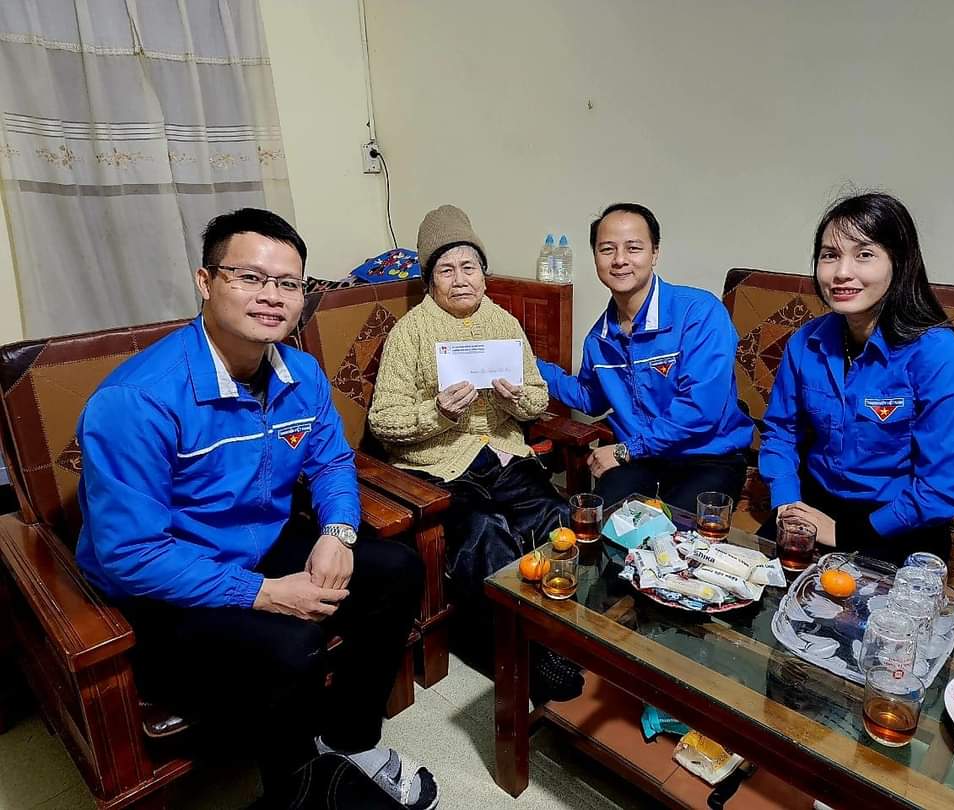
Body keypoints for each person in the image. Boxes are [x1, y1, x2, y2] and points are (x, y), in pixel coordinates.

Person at [74, 208, 438, 810]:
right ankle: (297, 792)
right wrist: (263, 594)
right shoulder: (136, 401)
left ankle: (348, 741)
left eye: (289, 283)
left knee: (396, 569)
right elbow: (130, 555)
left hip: (259, 545)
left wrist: (338, 532)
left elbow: (331, 462)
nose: (272, 296)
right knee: (292, 647)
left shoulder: (302, 373)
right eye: (249, 277)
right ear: (205, 281)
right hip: (166, 588)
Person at [368, 204, 580, 701]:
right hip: (439, 466)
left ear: (484, 274)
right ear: (430, 281)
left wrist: (516, 401)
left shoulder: (504, 322)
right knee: (487, 532)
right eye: (446, 270)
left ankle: (567, 633)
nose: (460, 279)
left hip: (503, 455)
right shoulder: (409, 333)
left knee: (557, 517)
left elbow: (537, 397)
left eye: (469, 267)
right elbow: (383, 421)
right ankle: (524, 655)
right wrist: (436, 412)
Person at [758, 192, 954, 566]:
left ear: (900, 263)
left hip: (899, 517)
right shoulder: (806, 342)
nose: (842, 272)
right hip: (814, 500)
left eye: (864, 254)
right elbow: (781, 432)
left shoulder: (940, 355)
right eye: (830, 255)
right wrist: (787, 503)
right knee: (743, 586)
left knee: (857, 602)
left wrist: (846, 533)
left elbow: (941, 489)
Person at [537, 202, 754, 514]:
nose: (619, 259)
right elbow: (590, 397)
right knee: (601, 523)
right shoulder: (599, 339)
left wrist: (626, 450)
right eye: (607, 249)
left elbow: (700, 409)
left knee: (675, 535)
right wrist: (529, 365)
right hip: (642, 459)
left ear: (655, 253)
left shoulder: (699, 312)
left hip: (706, 455)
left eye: (633, 248)